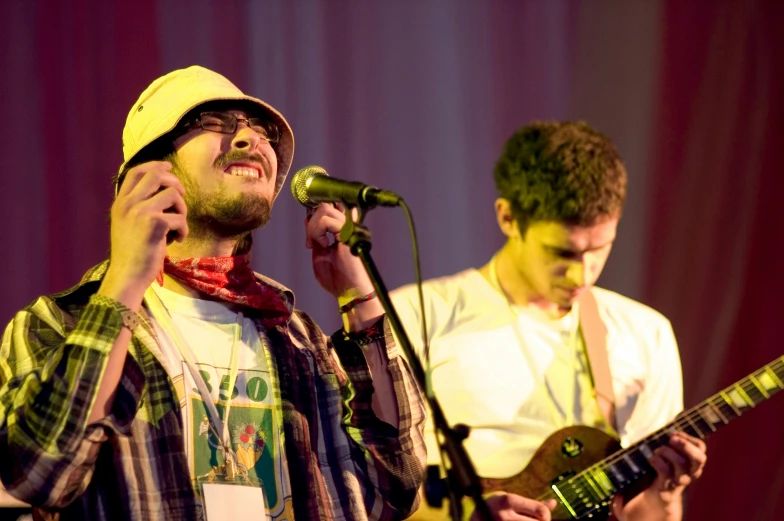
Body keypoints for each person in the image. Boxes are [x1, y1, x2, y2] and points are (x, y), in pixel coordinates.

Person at [0, 65, 426, 521]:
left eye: (260, 130)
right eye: (214, 122)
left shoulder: (299, 340)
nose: (250, 139)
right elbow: (37, 474)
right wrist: (124, 280)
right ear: (149, 171)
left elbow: (396, 490)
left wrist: (360, 300)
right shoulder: (58, 324)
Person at [391, 121, 707, 521]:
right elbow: (365, 494)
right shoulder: (416, 315)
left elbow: (645, 515)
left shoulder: (646, 333)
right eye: (562, 253)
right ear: (508, 218)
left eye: (600, 248)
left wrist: (665, 493)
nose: (583, 274)